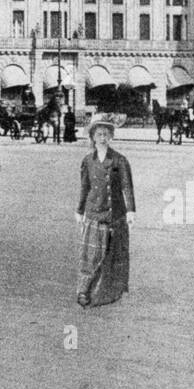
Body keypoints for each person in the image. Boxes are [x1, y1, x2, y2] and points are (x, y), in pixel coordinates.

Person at [74, 116, 136, 308]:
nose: (102, 137)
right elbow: (84, 187)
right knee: (90, 256)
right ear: (92, 137)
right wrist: (79, 210)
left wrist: (131, 210)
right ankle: (83, 290)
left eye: (106, 134)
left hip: (114, 215)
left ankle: (112, 288)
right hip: (94, 213)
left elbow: (127, 186)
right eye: (99, 134)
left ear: (111, 136)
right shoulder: (88, 161)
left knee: (114, 254)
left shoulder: (119, 160)